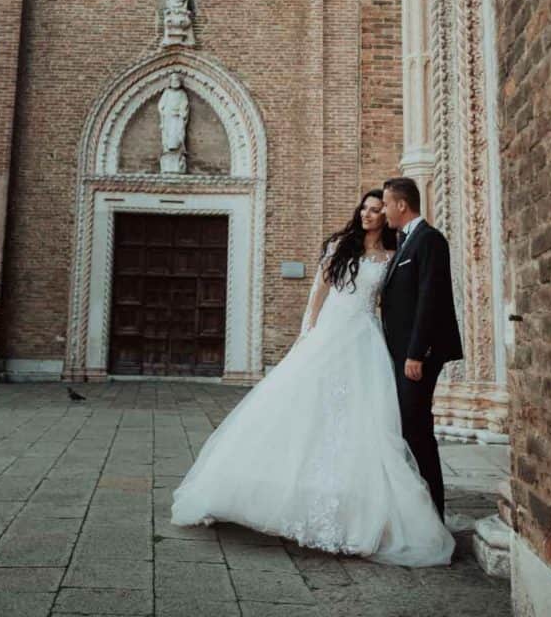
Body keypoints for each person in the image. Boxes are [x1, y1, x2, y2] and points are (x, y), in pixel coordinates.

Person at [171, 189, 455, 566]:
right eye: (366, 209)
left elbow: (400, 300)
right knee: (302, 410)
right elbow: (317, 293)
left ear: (388, 213)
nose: (371, 214)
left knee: (361, 420)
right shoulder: (341, 246)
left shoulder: (392, 254)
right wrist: (307, 335)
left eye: (377, 209)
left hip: (367, 341)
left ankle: (355, 503)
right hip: (330, 336)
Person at [380, 177, 463, 521]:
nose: (384, 211)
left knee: (417, 429)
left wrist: (416, 353)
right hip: (403, 353)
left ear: (401, 205)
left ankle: (434, 512)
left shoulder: (429, 240)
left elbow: (430, 298)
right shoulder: (404, 242)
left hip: (419, 355)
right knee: (409, 426)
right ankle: (417, 508)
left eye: (386, 204)